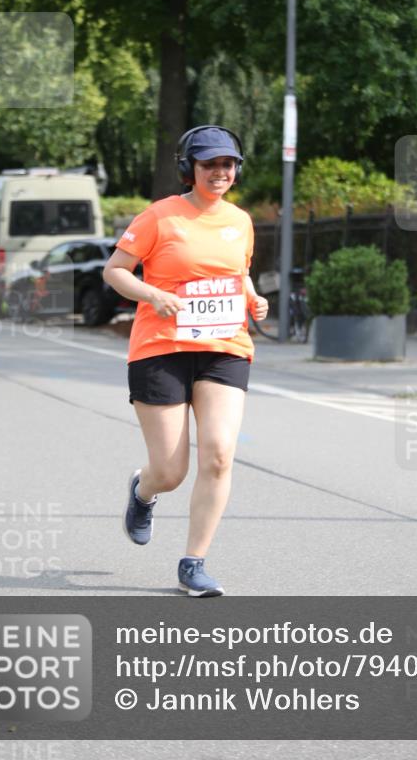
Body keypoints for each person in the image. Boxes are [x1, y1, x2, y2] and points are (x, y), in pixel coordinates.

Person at [103, 126, 268, 597]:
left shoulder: (240, 220)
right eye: (210, 164)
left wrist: (254, 299)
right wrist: (152, 293)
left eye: (228, 164)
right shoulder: (160, 217)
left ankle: (193, 564)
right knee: (171, 471)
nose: (220, 172)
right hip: (161, 350)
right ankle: (144, 492)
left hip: (224, 348)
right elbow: (115, 270)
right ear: (189, 169)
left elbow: (239, 272)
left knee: (218, 455)